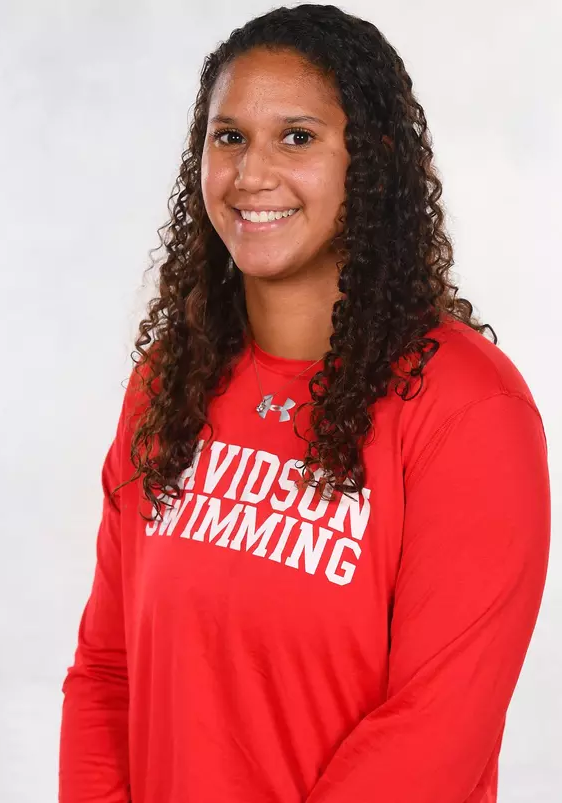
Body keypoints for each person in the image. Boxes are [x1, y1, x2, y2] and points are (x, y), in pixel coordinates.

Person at [58, 4, 551, 802]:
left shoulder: (467, 410)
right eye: (229, 136)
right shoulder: (170, 382)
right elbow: (106, 672)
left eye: (296, 136)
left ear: (371, 159)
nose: (252, 173)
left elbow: (433, 730)